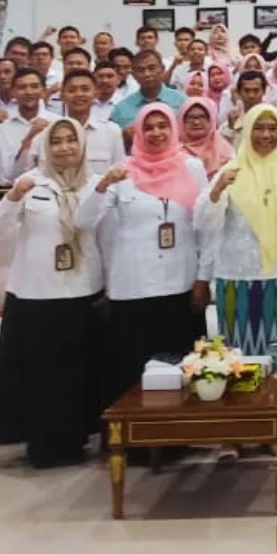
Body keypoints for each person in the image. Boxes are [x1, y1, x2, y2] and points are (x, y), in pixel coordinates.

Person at [0, 118, 104, 467]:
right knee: (41, 375)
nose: (64, 147)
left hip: (81, 291)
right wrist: (12, 197)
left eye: (71, 140)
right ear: (46, 147)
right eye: (57, 141)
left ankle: (77, 440)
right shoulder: (31, 183)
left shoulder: (96, 185)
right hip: (37, 295)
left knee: (75, 374)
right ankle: (43, 445)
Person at [81, 105, 209, 403]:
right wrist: (102, 186)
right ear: (137, 132)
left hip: (180, 283)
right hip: (133, 287)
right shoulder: (122, 170)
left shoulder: (191, 167)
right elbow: (83, 222)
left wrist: (203, 278)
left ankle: (175, 441)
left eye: (162, 126)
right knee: (132, 372)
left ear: (174, 129)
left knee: (178, 369)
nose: (156, 133)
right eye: (148, 127)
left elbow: (205, 224)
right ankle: (134, 444)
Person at [195, 106, 277, 368]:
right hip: (236, 279)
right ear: (248, 131)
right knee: (236, 356)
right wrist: (218, 189)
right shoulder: (231, 170)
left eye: (272, 128)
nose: (266, 135)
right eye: (259, 128)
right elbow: (203, 223)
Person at [111, 50, 185, 134]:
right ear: (133, 75)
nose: (147, 74)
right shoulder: (121, 109)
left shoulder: (181, 101)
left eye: (152, 68)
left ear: (163, 69)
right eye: (141, 70)